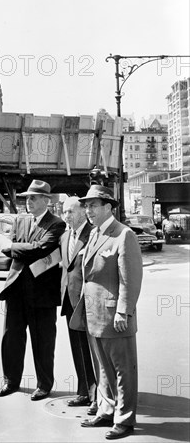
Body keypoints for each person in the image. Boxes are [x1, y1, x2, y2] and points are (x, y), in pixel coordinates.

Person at [70, 185, 143, 440]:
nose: (88, 210)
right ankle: (106, 409)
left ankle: (124, 420)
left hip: (114, 315)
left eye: (93, 205)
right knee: (102, 367)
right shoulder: (94, 234)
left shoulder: (124, 235)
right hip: (93, 314)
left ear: (109, 207)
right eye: (86, 205)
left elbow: (130, 279)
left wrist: (124, 311)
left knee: (123, 369)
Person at [0, 180, 66, 401]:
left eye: (33, 197)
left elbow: (41, 249)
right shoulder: (20, 220)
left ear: (46, 200)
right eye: (27, 197)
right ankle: (11, 381)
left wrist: (12, 249)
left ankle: (44, 384)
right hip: (17, 289)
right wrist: (21, 249)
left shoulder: (56, 224)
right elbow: (30, 249)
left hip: (42, 293)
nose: (29, 201)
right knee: (12, 338)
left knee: (43, 340)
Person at [60, 197, 97, 414]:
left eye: (70, 211)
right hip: (69, 300)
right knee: (77, 348)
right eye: (64, 212)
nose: (66, 216)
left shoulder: (92, 233)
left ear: (83, 212)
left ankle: (96, 395)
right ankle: (83, 391)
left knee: (92, 349)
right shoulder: (65, 236)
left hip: (86, 301)